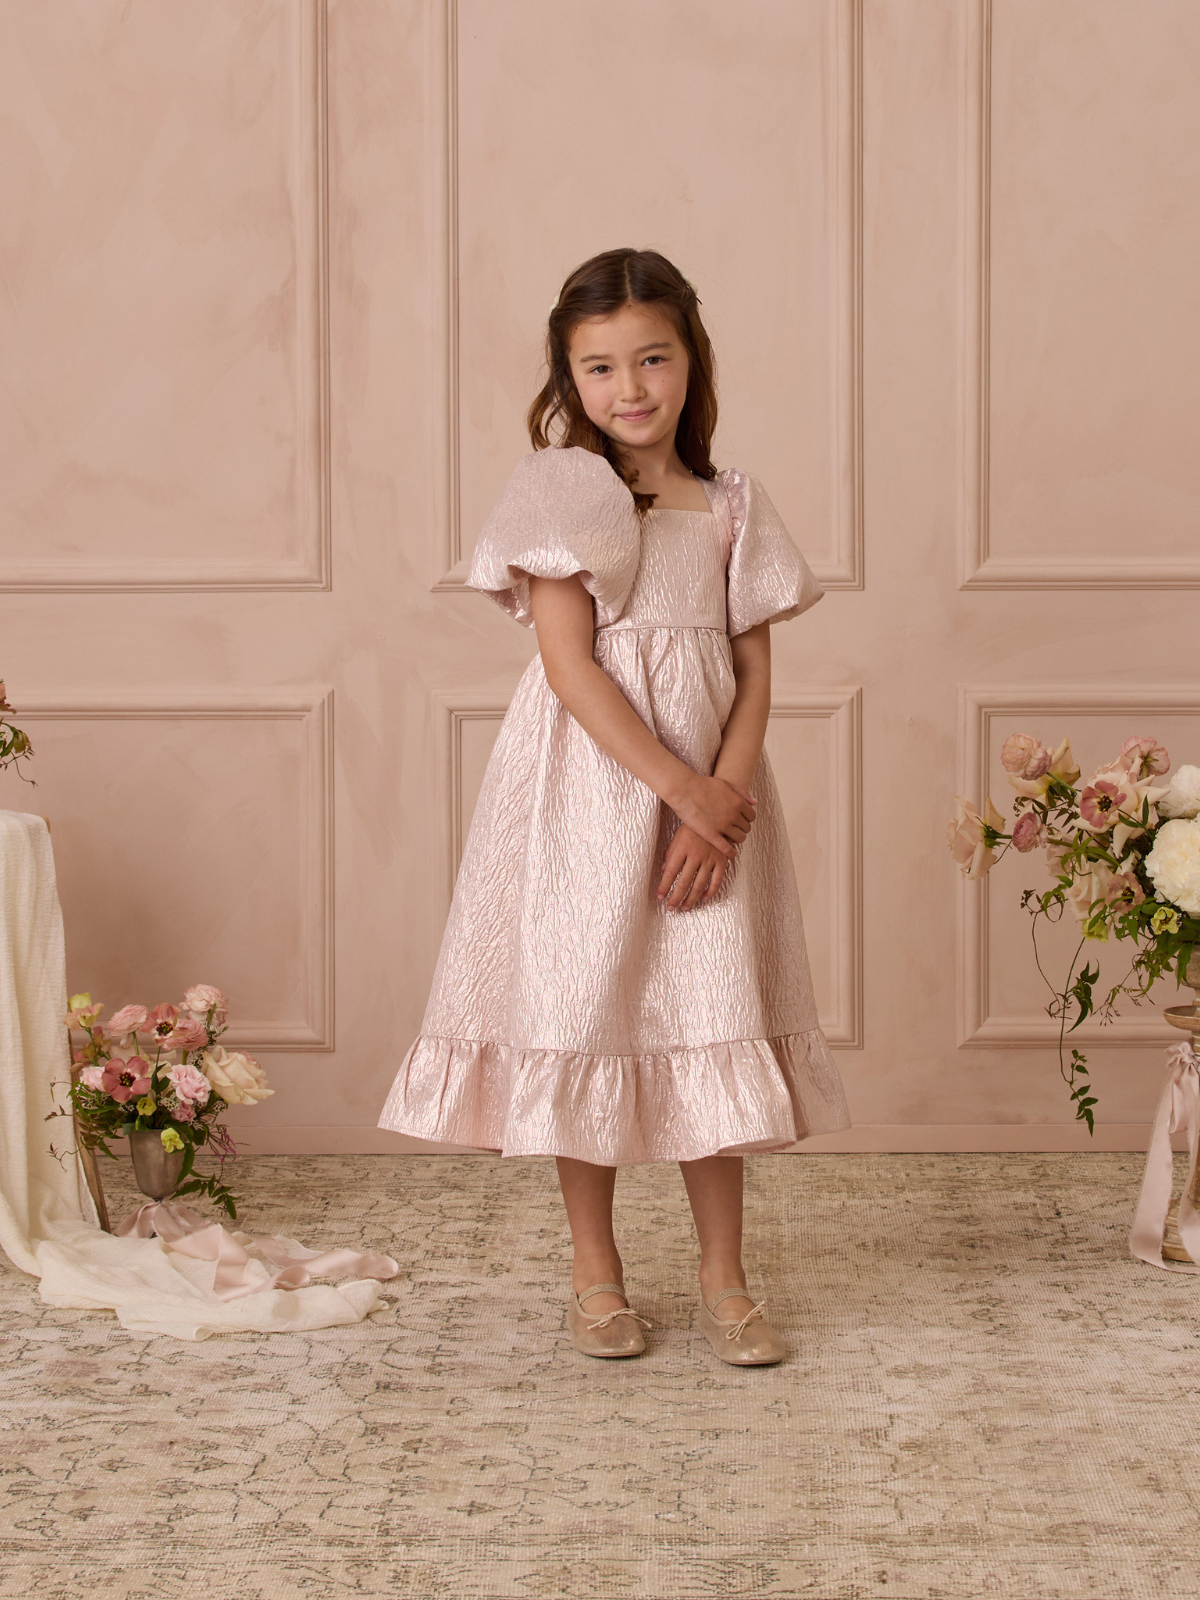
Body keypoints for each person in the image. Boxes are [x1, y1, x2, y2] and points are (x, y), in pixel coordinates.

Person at [379, 247, 850, 1364]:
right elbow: (571, 666)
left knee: (707, 1005)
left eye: (652, 358)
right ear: (567, 376)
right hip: (592, 792)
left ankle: (725, 1276)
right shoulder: (562, 494)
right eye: (598, 367)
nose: (629, 387)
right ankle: (597, 1273)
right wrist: (675, 785)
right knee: (581, 1007)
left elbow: (753, 667)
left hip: (711, 799)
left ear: (691, 360)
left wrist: (721, 798)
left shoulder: (731, 502)